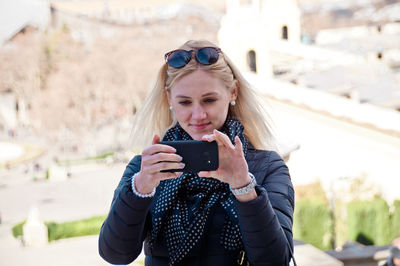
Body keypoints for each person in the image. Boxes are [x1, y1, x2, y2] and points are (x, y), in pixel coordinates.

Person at [98, 40, 295, 266]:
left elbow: (276, 260)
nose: (198, 115)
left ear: (233, 92)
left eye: (209, 100)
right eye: (185, 102)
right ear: (169, 99)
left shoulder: (267, 167)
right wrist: (140, 188)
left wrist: (243, 186)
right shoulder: (146, 168)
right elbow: (115, 254)